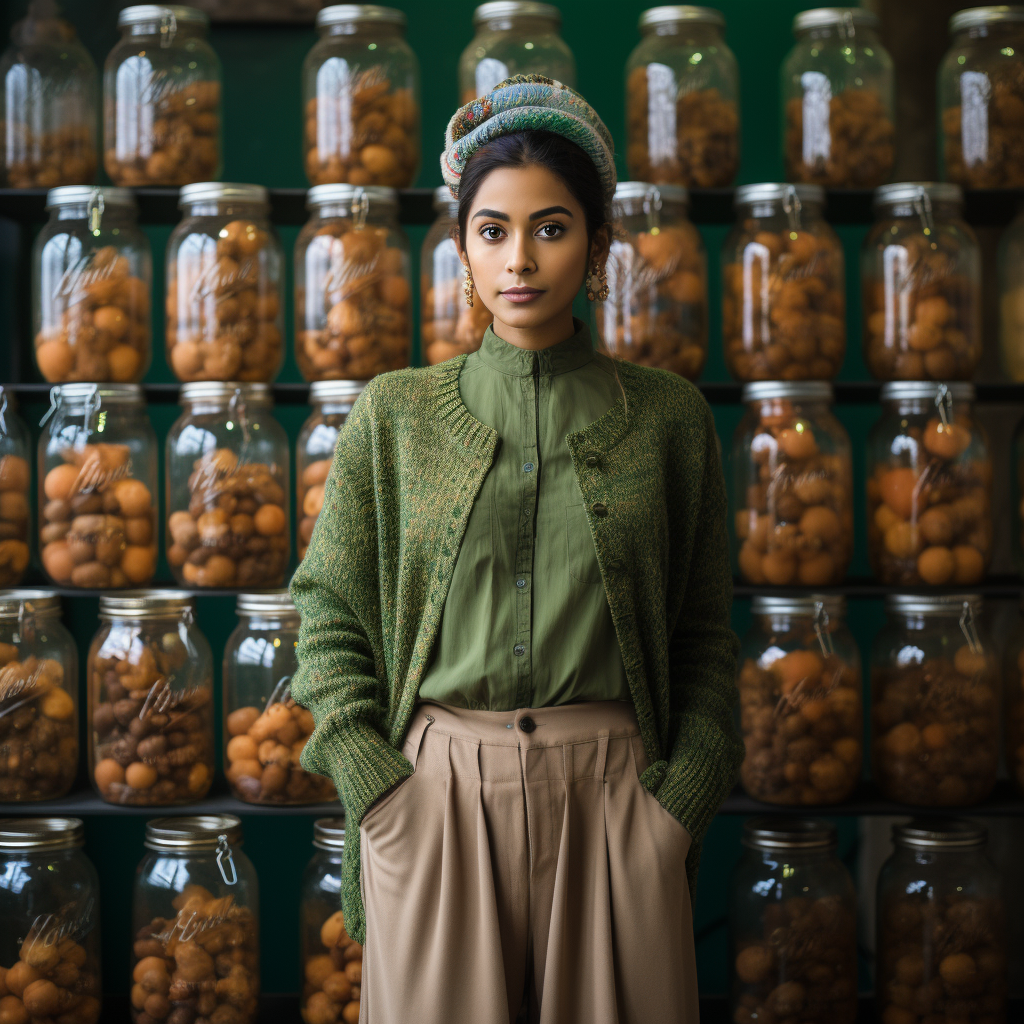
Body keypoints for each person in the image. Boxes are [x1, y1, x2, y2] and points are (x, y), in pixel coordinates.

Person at [289, 75, 742, 1024]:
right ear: (461, 248)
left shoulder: (667, 418)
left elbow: (704, 638)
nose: (520, 259)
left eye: (552, 226)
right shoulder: (395, 415)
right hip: (434, 803)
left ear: (598, 243)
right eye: (492, 231)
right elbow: (327, 612)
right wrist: (380, 794)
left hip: (621, 806)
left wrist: (674, 812)